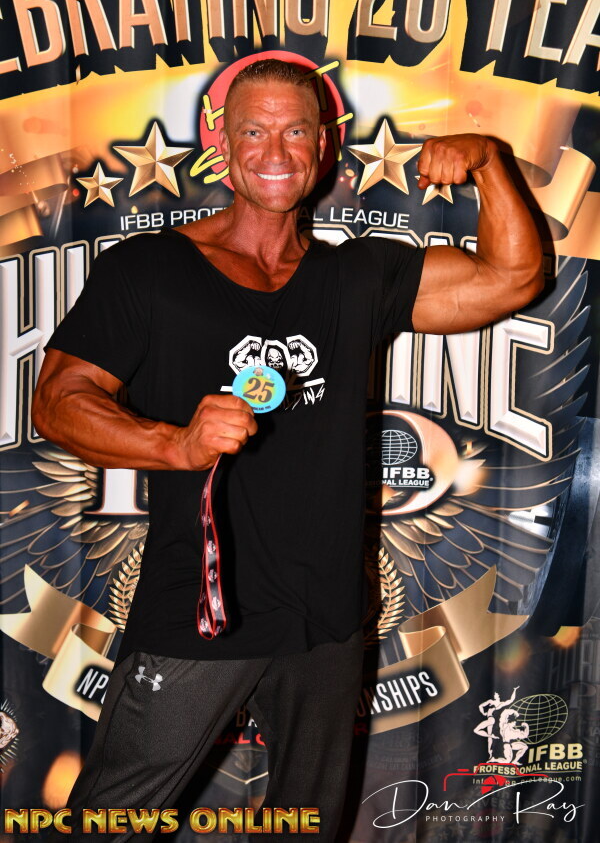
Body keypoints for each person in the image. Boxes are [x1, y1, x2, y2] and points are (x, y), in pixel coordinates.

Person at [32, 59, 543, 841]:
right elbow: (58, 402)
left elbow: (512, 278)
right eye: (254, 131)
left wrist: (488, 160)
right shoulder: (150, 269)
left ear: (323, 147)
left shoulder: (357, 274)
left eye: (296, 131)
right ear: (222, 147)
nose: (275, 152)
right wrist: (174, 444)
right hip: (202, 612)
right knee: (112, 823)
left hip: (327, 620)